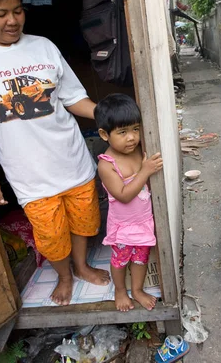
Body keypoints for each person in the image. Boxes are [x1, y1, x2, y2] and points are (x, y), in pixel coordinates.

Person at [0, 0, 109, 306]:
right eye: (1, 13)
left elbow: (71, 98)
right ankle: (64, 276)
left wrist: (105, 114)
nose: (13, 20)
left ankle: (81, 266)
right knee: (51, 235)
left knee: (84, 220)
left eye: (18, 10)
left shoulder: (44, 47)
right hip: (28, 173)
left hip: (71, 157)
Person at [94, 94, 162, 311]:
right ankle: (120, 291)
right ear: (105, 134)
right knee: (120, 260)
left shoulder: (139, 150)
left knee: (140, 259)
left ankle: (138, 289)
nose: (131, 137)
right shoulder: (107, 165)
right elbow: (123, 194)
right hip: (123, 226)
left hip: (143, 221)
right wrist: (146, 171)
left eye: (135, 129)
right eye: (122, 132)